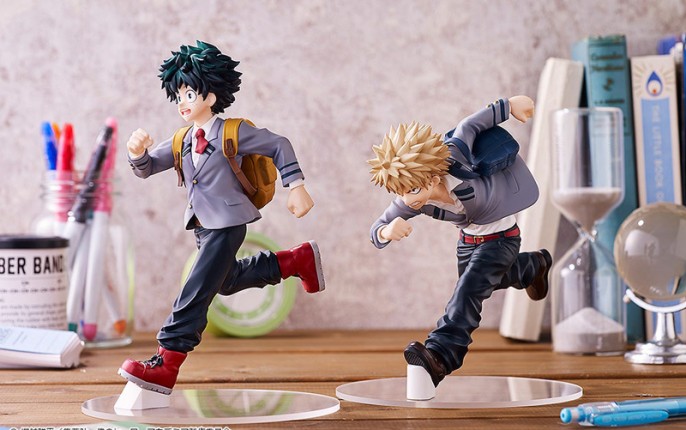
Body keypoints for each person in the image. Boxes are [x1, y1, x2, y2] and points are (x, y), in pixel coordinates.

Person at [120, 41, 324, 395]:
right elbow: (148, 167)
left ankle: (166, 363)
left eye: (189, 94)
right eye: (178, 95)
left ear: (211, 95)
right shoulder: (182, 139)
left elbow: (279, 144)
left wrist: (296, 186)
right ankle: (296, 260)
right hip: (201, 225)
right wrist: (135, 153)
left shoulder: (233, 131)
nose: (182, 102)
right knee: (225, 282)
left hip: (228, 222)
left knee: (195, 290)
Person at [368, 96, 551, 388]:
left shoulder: (456, 156)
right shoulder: (410, 200)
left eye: (411, 190)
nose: (406, 199)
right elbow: (377, 226)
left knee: (468, 293)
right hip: (467, 242)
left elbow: (470, 124)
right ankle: (531, 267)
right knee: (484, 284)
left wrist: (509, 106)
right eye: (400, 192)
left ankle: (441, 355)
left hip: (501, 237)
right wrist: (386, 232)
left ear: (430, 178)